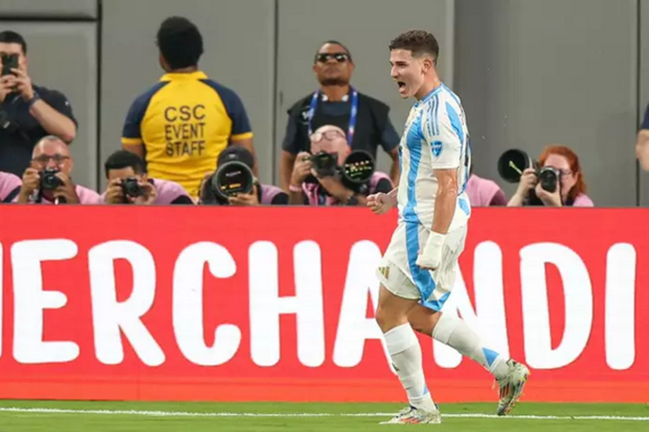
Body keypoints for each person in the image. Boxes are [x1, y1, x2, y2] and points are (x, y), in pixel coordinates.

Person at [367, 30, 530, 425]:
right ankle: (503, 369)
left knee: (388, 314)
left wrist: (435, 243)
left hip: (427, 225)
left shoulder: (438, 113)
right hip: (429, 218)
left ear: (426, 65)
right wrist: (393, 197)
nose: (393, 72)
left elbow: (448, 184)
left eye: (401, 64)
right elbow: (425, 171)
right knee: (419, 315)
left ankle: (422, 409)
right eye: (392, 64)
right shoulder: (430, 103)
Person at [121, 16, 255, 199]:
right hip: (214, 201)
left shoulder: (143, 103)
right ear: (199, 51)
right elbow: (246, 162)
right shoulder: (226, 99)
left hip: (160, 203)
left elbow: (131, 167)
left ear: (162, 57)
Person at [280, 40, 401, 191]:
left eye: (340, 57)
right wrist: (289, 195)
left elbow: (400, 154)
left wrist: (392, 195)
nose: (331, 61)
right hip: (312, 204)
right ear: (315, 68)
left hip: (360, 201)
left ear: (351, 66)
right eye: (323, 58)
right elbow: (287, 158)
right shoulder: (300, 110)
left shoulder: (373, 109)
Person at [0, 31, 77, 176]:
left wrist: (32, 99)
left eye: (13, 57)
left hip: (38, 188)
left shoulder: (50, 97)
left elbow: (68, 134)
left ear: (24, 61)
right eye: (2, 57)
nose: (7, 62)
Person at [288, 124, 393, 206]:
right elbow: (295, 222)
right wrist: (295, 185)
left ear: (348, 152)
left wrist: (340, 192)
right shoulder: (310, 188)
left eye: (332, 156)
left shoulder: (375, 181)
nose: (327, 163)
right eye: (321, 158)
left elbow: (386, 218)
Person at [16, 136, 100, 204]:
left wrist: (74, 204)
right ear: (32, 165)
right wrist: (23, 199)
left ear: (70, 165)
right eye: (42, 159)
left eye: (58, 159)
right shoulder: (21, 197)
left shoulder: (90, 199)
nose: (50, 165)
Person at [199, 145, 288, 206]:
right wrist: (204, 200)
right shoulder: (214, 195)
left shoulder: (274, 197)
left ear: (253, 173)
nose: (234, 181)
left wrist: (258, 211)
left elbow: (286, 229)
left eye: (240, 176)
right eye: (228, 176)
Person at [507, 145, 593, 207]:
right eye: (548, 171)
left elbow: (574, 231)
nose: (553, 177)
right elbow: (504, 225)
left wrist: (555, 206)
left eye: (561, 172)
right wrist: (519, 195)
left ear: (574, 178)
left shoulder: (582, 204)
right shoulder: (530, 198)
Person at [102, 150, 194, 205]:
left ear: (144, 177)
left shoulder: (171, 193)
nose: (124, 187)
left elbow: (190, 223)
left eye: (129, 181)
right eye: (118, 183)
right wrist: (110, 210)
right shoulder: (106, 199)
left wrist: (148, 208)